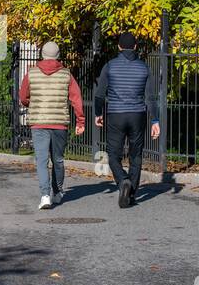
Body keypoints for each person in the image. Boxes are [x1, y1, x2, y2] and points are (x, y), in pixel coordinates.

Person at [94, 32, 160, 208]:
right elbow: (151, 98)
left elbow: (99, 94)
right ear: (136, 47)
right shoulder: (144, 68)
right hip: (138, 114)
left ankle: (123, 181)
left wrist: (98, 113)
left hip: (116, 114)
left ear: (119, 47)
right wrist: (155, 121)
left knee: (113, 155)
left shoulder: (110, 66)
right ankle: (131, 193)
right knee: (136, 155)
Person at [18, 41, 85, 210]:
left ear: (42, 54)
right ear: (57, 55)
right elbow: (76, 98)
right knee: (58, 159)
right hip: (59, 123)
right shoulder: (66, 74)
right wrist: (80, 121)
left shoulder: (31, 73)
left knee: (41, 160)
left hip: (38, 122)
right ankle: (58, 191)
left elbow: (23, 96)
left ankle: (45, 195)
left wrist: (30, 104)